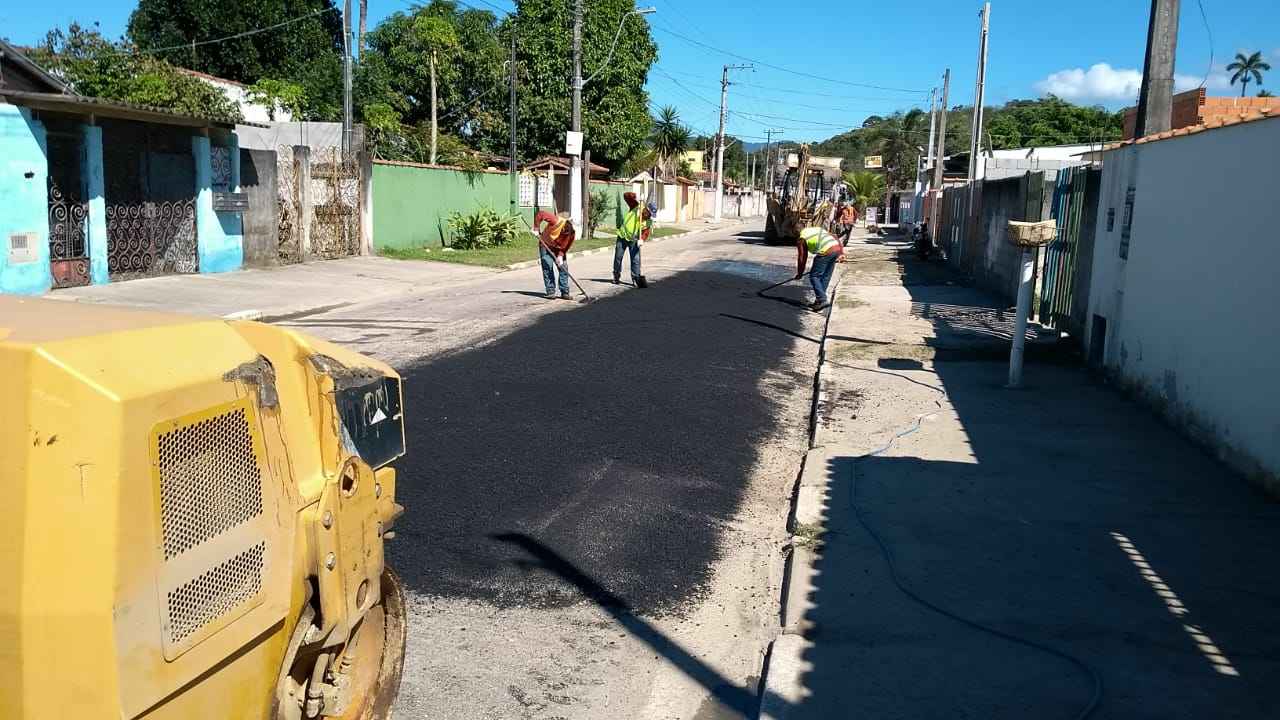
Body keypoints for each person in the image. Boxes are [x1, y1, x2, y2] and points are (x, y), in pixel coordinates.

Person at [796, 225, 844, 311]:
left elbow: (802, 257)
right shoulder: (816, 229)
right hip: (836, 248)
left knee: (814, 276)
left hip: (826, 252)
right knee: (825, 276)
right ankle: (819, 301)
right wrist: (840, 252)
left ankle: (822, 299)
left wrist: (800, 273)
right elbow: (835, 237)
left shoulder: (801, 238)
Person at [534, 209, 575, 299]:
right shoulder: (556, 220)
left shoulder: (571, 234)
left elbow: (566, 246)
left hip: (559, 249)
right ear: (562, 229)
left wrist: (560, 256)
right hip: (546, 244)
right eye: (564, 234)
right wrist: (536, 228)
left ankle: (565, 292)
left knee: (563, 267)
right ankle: (550, 291)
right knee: (547, 266)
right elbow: (541, 214)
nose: (565, 236)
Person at [613, 192, 651, 287]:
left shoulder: (647, 221)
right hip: (622, 236)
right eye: (643, 218)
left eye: (645, 219)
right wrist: (635, 197)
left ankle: (636, 278)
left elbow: (646, 232)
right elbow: (626, 195)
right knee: (618, 257)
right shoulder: (635, 207)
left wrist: (642, 239)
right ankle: (616, 276)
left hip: (634, 240)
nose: (643, 220)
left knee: (635, 259)